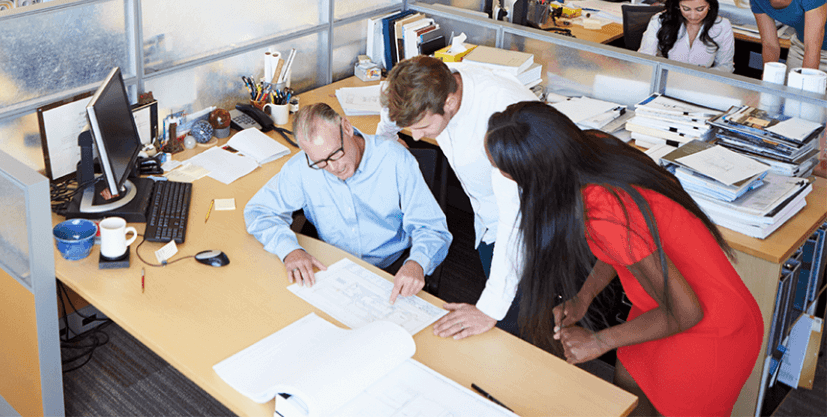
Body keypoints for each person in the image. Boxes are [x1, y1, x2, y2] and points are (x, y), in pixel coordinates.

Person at [485, 102, 762, 417]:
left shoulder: (602, 209)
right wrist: (584, 296)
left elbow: (687, 312)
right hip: (656, 309)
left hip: (707, 331)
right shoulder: (591, 150)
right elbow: (624, 249)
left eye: (507, 171)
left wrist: (599, 341)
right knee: (627, 403)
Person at [377, 55, 537, 337]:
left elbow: (515, 221)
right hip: (487, 217)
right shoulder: (429, 89)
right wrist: (388, 136)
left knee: (513, 323)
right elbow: (394, 112)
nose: (415, 137)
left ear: (449, 103)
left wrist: (489, 309)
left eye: (424, 128)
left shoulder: (503, 119)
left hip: (530, 224)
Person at [244, 102, 452, 303]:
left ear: (347, 127)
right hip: (330, 268)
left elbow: (432, 228)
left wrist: (417, 263)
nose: (333, 168)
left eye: (336, 154)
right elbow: (259, 211)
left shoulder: (395, 159)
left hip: (391, 269)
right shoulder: (302, 168)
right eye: (320, 162)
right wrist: (289, 249)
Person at [638, 0, 735, 71]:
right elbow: (645, 59)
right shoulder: (659, 21)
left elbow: (726, 66)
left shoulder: (723, 26)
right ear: (677, 5)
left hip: (703, 82)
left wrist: (703, 75)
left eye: (700, 9)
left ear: (710, 5)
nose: (693, 16)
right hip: (666, 79)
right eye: (686, 9)